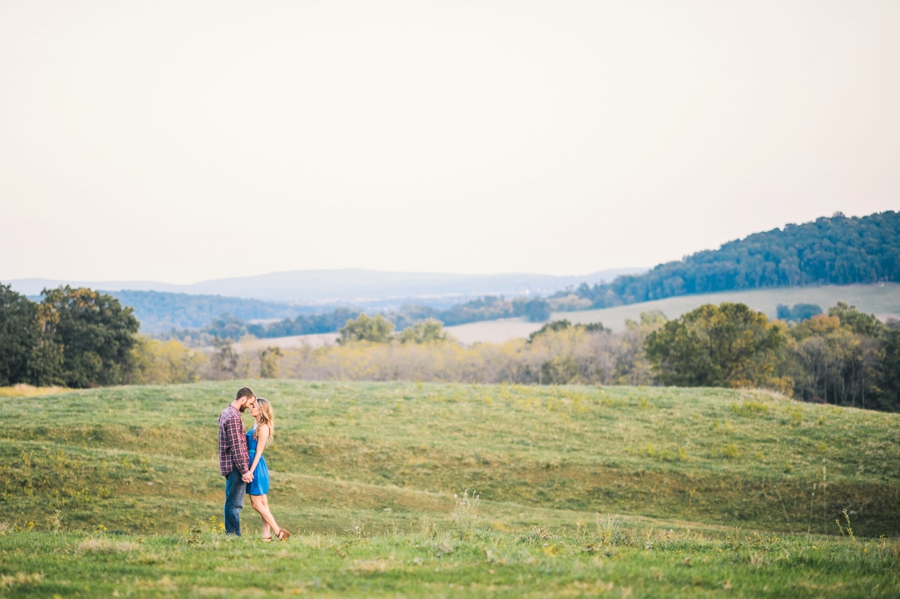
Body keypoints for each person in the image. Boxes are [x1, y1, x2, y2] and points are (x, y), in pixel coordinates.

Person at [246, 397, 291, 541]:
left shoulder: (263, 428)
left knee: (256, 504)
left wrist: (250, 471)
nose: (250, 408)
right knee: (263, 503)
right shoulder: (256, 425)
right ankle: (267, 536)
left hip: (256, 466)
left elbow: (258, 453)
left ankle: (279, 532)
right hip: (254, 463)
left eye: (253, 406)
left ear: (261, 410)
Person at [218, 386, 255, 536]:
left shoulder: (226, 413)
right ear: (244, 399)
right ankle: (233, 537)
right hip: (235, 467)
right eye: (250, 403)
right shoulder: (233, 417)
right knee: (234, 505)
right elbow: (236, 447)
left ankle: (231, 535)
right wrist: (244, 470)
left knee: (231, 503)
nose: (251, 407)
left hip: (232, 466)